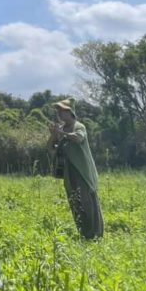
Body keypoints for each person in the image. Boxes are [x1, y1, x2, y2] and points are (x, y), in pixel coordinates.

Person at [49, 99, 104, 240]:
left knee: (88, 203)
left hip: (83, 172)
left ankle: (94, 235)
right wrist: (54, 135)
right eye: (58, 111)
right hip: (69, 173)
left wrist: (62, 133)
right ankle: (83, 234)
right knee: (75, 203)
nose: (59, 114)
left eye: (62, 111)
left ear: (70, 112)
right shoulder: (62, 129)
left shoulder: (79, 126)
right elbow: (51, 148)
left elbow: (78, 138)